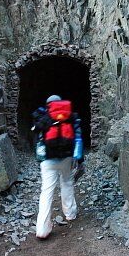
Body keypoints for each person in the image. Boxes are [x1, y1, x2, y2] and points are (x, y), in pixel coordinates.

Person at [32, 95, 83, 239]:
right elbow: (78, 136)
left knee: (47, 191)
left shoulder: (44, 116)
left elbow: (36, 133)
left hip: (48, 160)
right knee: (67, 183)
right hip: (66, 157)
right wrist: (79, 159)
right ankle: (70, 213)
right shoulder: (70, 116)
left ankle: (42, 228)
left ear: (48, 104)